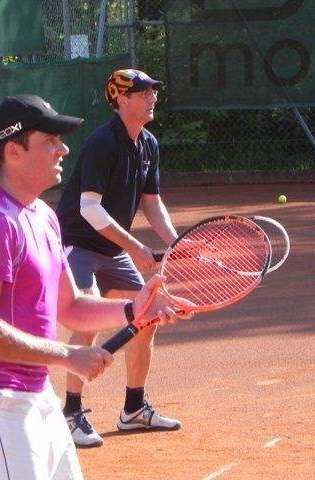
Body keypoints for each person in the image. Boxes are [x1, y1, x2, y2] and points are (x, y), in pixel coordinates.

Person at [0, 93, 189, 480]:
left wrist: (136, 307)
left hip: (34, 390)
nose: (63, 149)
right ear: (13, 152)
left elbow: (71, 306)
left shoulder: (43, 216)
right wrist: (68, 354)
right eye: (50, 141)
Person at [56, 69, 181, 448]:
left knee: (145, 318)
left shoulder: (148, 144)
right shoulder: (102, 143)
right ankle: (71, 413)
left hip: (111, 251)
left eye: (153, 92)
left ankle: (133, 409)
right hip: (78, 244)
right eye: (143, 93)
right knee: (87, 317)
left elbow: (152, 204)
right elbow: (89, 208)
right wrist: (134, 247)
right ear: (122, 100)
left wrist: (177, 243)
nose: (152, 98)